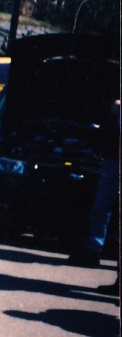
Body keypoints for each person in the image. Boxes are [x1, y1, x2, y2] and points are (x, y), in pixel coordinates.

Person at [69, 99, 121, 272]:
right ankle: (92, 250)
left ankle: (93, 249)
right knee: (101, 206)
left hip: (115, 159)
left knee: (103, 206)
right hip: (113, 157)